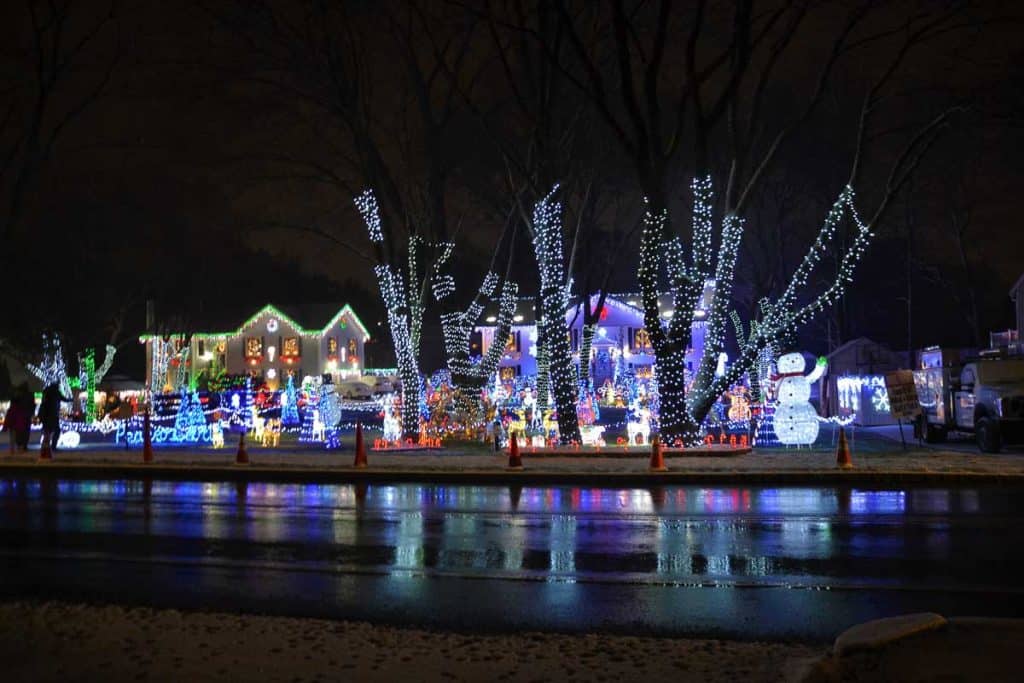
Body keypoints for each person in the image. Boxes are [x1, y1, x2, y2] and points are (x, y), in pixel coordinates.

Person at [39, 382, 72, 451]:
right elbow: (64, 399)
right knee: (56, 431)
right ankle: (52, 447)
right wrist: (71, 399)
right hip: (52, 415)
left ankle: (45, 447)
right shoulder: (55, 392)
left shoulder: (46, 392)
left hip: (45, 415)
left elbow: (43, 403)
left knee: (47, 432)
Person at [3, 383, 33, 453]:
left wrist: (5, 427)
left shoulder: (12, 408)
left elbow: (8, 418)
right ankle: (21, 448)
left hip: (14, 424)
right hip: (21, 422)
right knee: (22, 434)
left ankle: (13, 449)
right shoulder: (21, 407)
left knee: (13, 436)